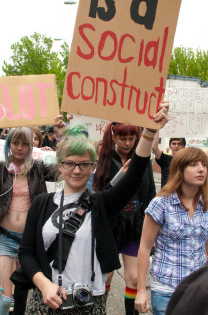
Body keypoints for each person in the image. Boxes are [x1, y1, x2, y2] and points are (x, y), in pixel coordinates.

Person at [13, 102, 168, 315]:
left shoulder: (101, 203)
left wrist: (149, 131)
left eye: (84, 164)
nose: (77, 170)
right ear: (60, 165)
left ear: (93, 167)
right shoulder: (42, 203)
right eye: (70, 163)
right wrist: (43, 284)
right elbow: (26, 252)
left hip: (88, 302)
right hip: (47, 300)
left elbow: (134, 176)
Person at [135, 146, 208, 315]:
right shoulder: (161, 204)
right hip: (166, 290)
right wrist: (141, 290)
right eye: (193, 164)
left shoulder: (205, 205)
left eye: (204, 165)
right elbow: (145, 248)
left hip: (198, 290)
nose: (201, 169)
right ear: (179, 170)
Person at [92, 122, 156, 315]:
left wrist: (152, 229)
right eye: (123, 138)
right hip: (109, 225)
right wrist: (122, 174)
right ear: (113, 136)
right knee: (105, 277)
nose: (127, 143)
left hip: (135, 226)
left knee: (135, 278)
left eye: (131, 138)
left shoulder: (143, 159)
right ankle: (98, 310)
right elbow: (98, 194)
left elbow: (151, 192)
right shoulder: (104, 158)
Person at [0, 123, 64, 315]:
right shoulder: (2, 169)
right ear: (9, 144)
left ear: (31, 146)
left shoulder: (37, 168)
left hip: (29, 240)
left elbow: (62, 171)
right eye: (15, 142)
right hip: (4, 238)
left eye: (25, 143)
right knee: (4, 298)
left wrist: (59, 139)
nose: (20, 148)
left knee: (22, 294)